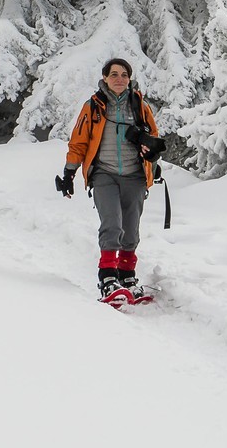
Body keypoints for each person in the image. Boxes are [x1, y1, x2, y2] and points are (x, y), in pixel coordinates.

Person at [55, 58, 165, 304]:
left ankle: (127, 277)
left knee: (131, 230)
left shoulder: (139, 105)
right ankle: (107, 278)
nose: (119, 79)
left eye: (124, 74)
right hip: (104, 174)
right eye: (114, 74)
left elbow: (153, 137)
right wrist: (69, 173)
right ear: (105, 78)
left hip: (135, 175)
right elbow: (79, 141)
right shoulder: (93, 106)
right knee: (112, 225)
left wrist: (153, 162)